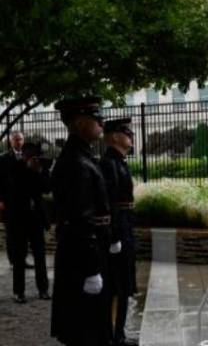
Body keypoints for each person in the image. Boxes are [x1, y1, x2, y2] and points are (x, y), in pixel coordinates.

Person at [50, 97, 112, 346]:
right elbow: (80, 220)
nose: (101, 122)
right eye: (95, 117)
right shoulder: (76, 162)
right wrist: (91, 269)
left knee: (91, 326)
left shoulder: (83, 156)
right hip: (81, 259)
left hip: (86, 252)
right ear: (78, 122)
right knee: (85, 329)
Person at [100, 118, 138, 346]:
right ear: (114, 137)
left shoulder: (120, 162)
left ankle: (119, 333)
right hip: (118, 230)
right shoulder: (108, 164)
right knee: (115, 285)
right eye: (126, 132)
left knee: (123, 284)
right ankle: (113, 334)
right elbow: (109, 202)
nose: (131, 135)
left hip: (125, 227)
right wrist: (114, 236)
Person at [4, 142, 51, 303]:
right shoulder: (15, 167)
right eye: (32, 156)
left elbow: (47, 188)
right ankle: (19, 292)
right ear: (24, 155)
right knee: (19, 257)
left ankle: (43, 289)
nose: (35, 159)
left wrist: (39, 171)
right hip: (18, 220)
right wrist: (28, 169)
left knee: (40, 256)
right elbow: (15, 187)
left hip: (36, 219)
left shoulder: (40, 168)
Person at [0, 131, 25, 267]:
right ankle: (13, 261)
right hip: (9, 202)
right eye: (15, 140)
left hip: (24, 202)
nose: (18, 142)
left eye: (20, 139)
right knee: (11, 233)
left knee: (22, 233)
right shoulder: (3, 158)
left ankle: (21, 259)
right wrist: (1, 200)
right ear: (10, 141)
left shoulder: (28, 157)